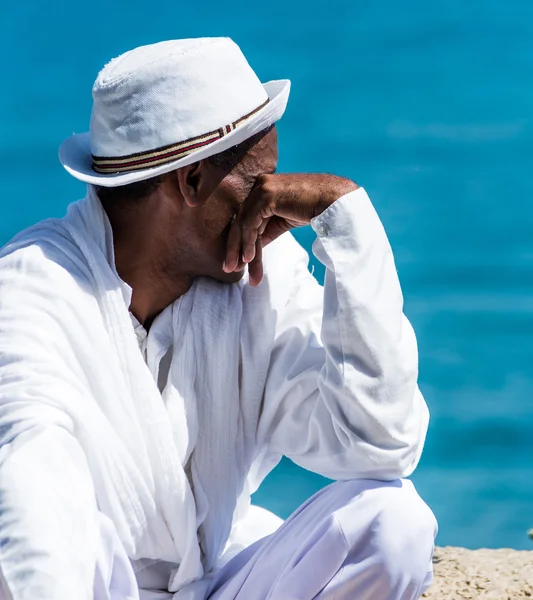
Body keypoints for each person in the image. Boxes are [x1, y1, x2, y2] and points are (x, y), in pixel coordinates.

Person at [0, 37, 437, 600]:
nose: (275, 201)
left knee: (394, 521)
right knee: (44, 507)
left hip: (213, 583)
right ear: (192, 182)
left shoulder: (264, 271)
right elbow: (29, 508)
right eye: (261, 179)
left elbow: (380, 446)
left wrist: (346, 224)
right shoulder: (28, 293)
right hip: (86, 585)